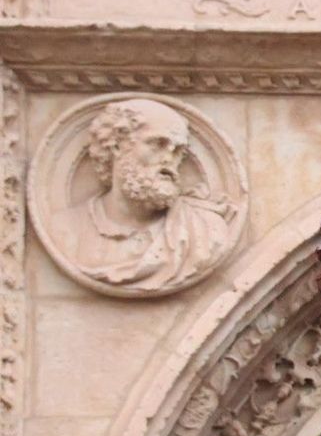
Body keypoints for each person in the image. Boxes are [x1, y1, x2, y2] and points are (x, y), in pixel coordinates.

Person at [73, 98, 234, 292]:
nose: (169, 160)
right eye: (157, 144)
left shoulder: (203, 231)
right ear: (116, 146)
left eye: (177, 152)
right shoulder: (68, 229)